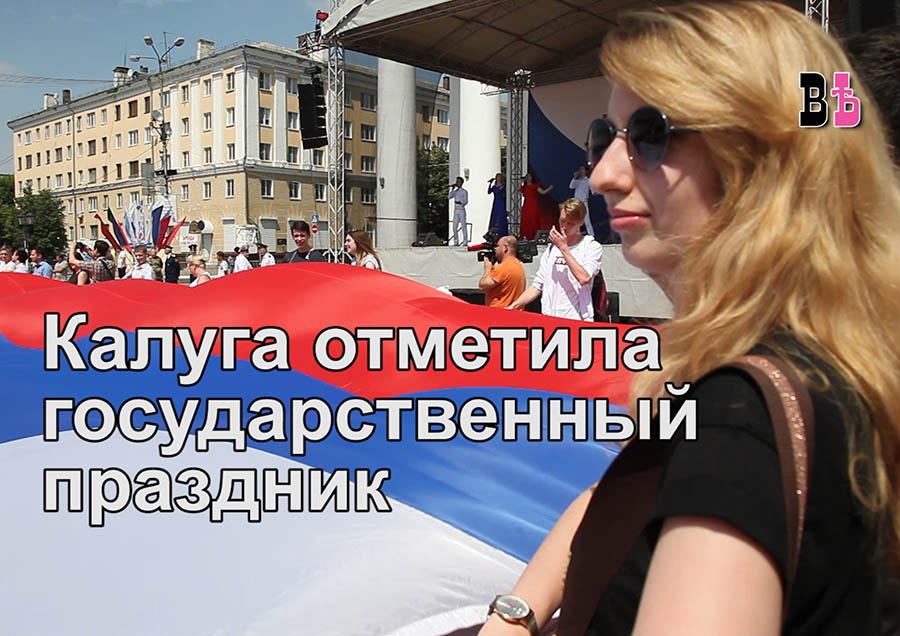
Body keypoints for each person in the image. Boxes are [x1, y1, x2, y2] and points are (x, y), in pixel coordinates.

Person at [478, 4, 900, 636]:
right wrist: (517, 616)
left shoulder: (743, 414)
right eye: (603, 138)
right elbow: (622, 498)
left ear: (763, 160)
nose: (604, 174)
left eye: (650, 135)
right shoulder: (830, 359)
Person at [508, 198, 602, 320]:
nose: (564, 227)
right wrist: (513, 306)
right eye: (562, 221)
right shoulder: (552, 249)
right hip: (550, 317)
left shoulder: (591, 246)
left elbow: (584, 278)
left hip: (576, 318)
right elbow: (538, 285)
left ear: (580, 222)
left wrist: (564, 248)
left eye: (570, 223)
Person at [479, 235, 525, 309]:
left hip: (499, 312)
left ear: (505, 248)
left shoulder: (503, 268)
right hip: (513, 312)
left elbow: (483, 286)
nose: (495, 249)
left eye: (497, 246)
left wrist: (488, 269)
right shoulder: (518, 264)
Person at [519, 172, 555, 240]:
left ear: (532, 178)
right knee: (526, 220)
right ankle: (525, 236)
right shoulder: (524, 187)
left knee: (533, 219)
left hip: (533, 204)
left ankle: (533, 236)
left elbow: (543, 192)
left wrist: (549, 188)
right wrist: (521, 182)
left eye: (529, 176)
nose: (528, 177)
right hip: (526, 204)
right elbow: (518, 189)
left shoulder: (535, 185)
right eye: (527, 176)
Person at [569, 164, 594, 237]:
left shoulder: (588, 181)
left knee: (586, 220)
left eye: (582, 169)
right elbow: (571, 186)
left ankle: (591, 235)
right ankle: (577, 235)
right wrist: (575, 177)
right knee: (576, 219)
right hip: (576, 202)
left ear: (585, 171)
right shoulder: (577, 180)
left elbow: (593, 191)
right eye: (580, 169)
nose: (580, 170)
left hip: (583, 202)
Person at [448, 176, 469, 247]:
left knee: (463, 226)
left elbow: (465, 201)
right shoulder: (455, 191)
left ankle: (465, 241)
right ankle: (456, 241)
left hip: (461, 209)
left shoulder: (464, 191)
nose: (457, 183)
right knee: (454, 226)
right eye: (457, 182)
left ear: (461, 183)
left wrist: (460, 202)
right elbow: (449, 197)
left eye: (458, 182)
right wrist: (452, 189)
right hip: (456, 210)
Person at [487, 173, 509, 237]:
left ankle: (502, 233)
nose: (498, 178)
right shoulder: (494, 187)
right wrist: (490, 184)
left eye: (499, 177)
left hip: (501, 202)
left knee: (501, 216)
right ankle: (493, 233)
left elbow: (504, 195)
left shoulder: (503, 186)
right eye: (497, 177)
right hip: (496, 202)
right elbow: (489, 192)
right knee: (495, 216)